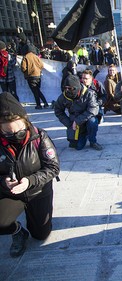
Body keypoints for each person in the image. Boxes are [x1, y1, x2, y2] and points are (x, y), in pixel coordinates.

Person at [0, 92, 60, 257]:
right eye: (8, 133)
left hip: (37, 191)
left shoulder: (38, 136)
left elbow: (53, 167)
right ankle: (17, 231)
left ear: (25, 120)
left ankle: (35, 221)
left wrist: (29, 181)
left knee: (41, 234)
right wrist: (4, 181)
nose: (15, 135)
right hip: (9, 193)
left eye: (18, 129)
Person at [54, 75, 103, 150]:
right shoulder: (64, 96)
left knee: (92, 121)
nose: (67, 90)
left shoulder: (89, 93)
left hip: (87, 119)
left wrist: (77, 121)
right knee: (77, 146)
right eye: (65, 88)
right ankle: (84, 134)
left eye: (70, 88)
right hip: (74, 121)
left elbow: (93, 109)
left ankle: (93, 141)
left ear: (76, 87)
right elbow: (58, 110)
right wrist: (68, 123)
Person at [21, 44, 49, 109]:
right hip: (38, 75)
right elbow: (42, 65)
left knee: (35, 91)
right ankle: (45, 103)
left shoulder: (25, 57)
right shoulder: (36, 56)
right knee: (37, 90)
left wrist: (26, 72)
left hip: (30, 76)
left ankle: (39, 104)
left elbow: (23, 68)